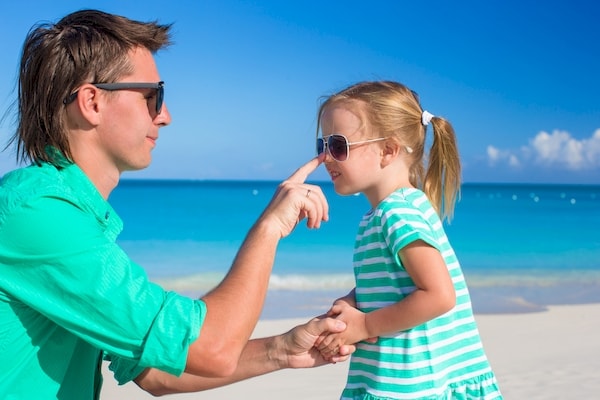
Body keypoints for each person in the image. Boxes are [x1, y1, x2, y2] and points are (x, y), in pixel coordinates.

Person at [0, 9, 355, 399]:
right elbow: (210, 348)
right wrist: (270, 228)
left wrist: (280, 350)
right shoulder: (36, 213)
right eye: (153, 96)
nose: (165, 116)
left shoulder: (66, 214)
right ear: (92, 102)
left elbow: (156, 373)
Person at [313, 81, 503, 399]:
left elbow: (439, 294)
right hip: (404, 379)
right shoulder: (392, 211)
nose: (326, 158)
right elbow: (397, 283)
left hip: (414, 385)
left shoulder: (397, 213)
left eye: (338, 145)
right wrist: (355, 301)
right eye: (322, 146)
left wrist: (366, 326)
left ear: (388, 150)